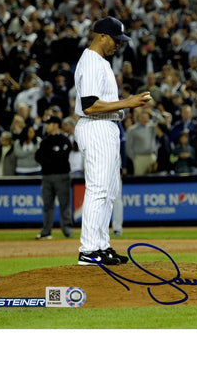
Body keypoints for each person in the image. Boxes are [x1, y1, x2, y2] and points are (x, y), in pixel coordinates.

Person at [73, 16, 153, 266]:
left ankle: (101, 245)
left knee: (109, 191)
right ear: (102, 36)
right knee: (98, 189)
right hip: (96, 127)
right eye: (116, 40)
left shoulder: (101, 62)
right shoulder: (91, 62)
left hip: (107, 127)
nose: (119, 45)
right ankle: (88, 249)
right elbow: (89, 106)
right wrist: (128, 102)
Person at [34, 115, 73, 239]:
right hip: (47, 176)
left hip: (62, 176)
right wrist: (51, 158)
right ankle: (46, 232)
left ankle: (67, 231)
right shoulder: (45, 141)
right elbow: (38, 157)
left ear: (56, 125)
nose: (46, 126)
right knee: (47, 205)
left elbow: (61, 157)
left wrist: (48, 159)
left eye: (49, 124)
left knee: (64, 204)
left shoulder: (64, 140)